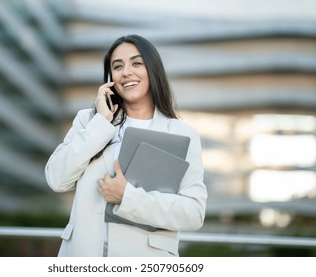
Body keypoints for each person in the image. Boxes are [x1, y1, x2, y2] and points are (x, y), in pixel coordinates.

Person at [45, 34, 207, 257]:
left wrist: (127, 197)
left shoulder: (183, 134)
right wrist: (100, 123)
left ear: (153, 70)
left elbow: (193, 213)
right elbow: (56, 179)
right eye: (117, 66)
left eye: (137, 63)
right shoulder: (89, 121)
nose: (126, 72)